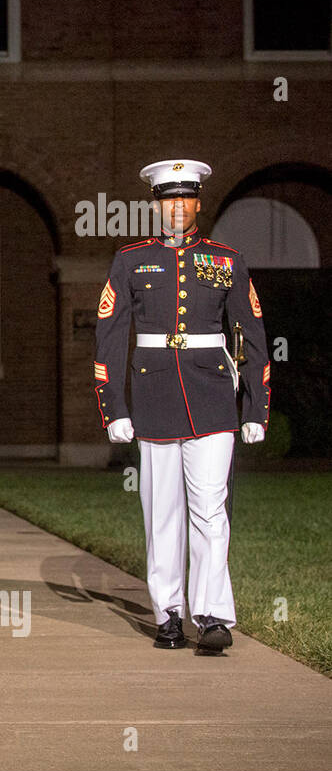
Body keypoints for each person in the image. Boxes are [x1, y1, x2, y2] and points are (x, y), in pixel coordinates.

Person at [94, 159, 270, 652]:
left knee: (211, 511)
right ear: (156, 205)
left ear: (198, 203)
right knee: (162, 513)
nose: (176, 207)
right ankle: (169, 614)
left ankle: (212, 616)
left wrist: (255, 408)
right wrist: (115, 408)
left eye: (184, 198)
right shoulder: (130, 261)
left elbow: (254, 338)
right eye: (167, 199)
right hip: (153, 397)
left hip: (213, 396)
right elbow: (109, 338)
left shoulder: (226, 260)